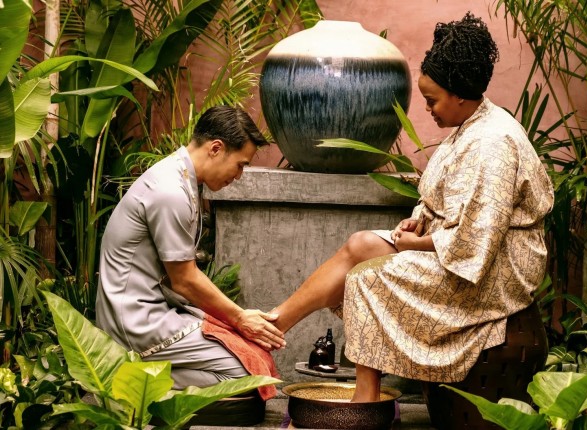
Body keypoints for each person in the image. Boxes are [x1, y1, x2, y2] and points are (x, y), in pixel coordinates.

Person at [272, 12, 554, 402]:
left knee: (366, 278)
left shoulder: (493, 143)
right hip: (459, 251)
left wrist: (415, 244)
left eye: (432, 101)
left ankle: (365, 396)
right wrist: (417, 220)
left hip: (494, 274)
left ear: (458, 95)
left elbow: (476, 243)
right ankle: (272, 326)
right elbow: (444, 199)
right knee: (360, 246)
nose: (428, 110)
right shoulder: (471, 125)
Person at [96, 105, 286, 389]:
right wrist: (240, 318)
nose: (239, 176)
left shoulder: (180, 178)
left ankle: (136, 377)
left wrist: (236, 320)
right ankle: (124, 379)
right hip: (136, 322)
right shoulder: (170, 190)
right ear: (216, 148)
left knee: (255, 357)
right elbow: (184, 280)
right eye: (241, 165)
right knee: (248, 374)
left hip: (157, 310)